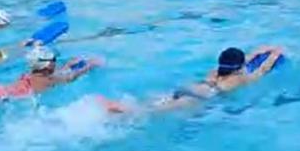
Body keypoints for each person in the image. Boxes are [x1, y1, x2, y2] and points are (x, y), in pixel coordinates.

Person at [98, 46, 285, 115]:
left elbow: (244, 59)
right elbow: (262, 69)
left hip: (197, 87)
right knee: (153, 111)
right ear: (239, 66)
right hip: (207, 95)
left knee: (160, 101)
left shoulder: (215, 71)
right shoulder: (241, 78)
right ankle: (124, 111)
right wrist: (274, 53)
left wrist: (259, 50)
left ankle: (118, 105)